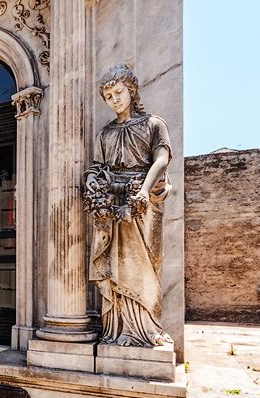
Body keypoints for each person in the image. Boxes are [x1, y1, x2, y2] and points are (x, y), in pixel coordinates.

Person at [84, 63, 174, 347]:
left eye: (118, 92)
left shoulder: (153, 124)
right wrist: (90, 182)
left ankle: (147, 330)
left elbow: (162, 159)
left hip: (142, 200)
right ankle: (118, 329)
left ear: (131, 91)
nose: (115, 100)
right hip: (112, 200)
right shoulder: (105, 133)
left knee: (146, 264)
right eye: (108, 96)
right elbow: (96, 167)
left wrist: (145, 191)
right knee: (115, 266)